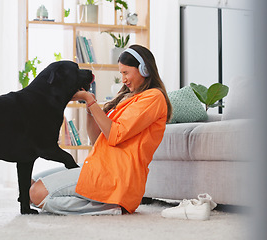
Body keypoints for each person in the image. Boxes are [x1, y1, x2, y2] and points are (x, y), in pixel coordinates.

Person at [29, 44, 173, 215]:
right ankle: (94, 201)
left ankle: (110, 207)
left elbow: (115, 134)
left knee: (36, 193)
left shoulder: (154, 98)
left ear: (144, 69)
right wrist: (89, 110)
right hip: (99, 166)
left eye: (126, 73)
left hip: (116, 175)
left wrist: (90, 101)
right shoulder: (128, 98)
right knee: (30, 184)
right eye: (121, 74)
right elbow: (97, 139)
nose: (123, 79)